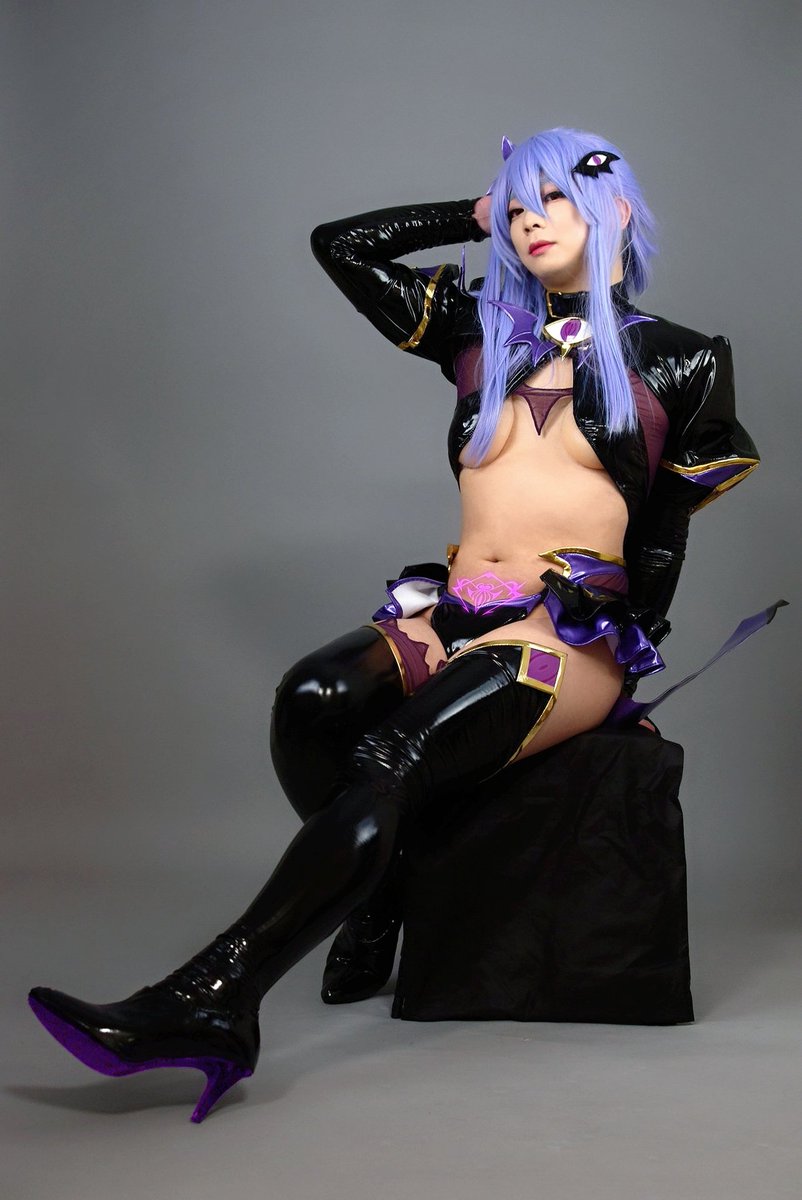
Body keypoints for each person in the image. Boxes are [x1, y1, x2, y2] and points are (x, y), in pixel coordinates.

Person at [28, 127, 769, 1124]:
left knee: (391, 753)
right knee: (313, 699)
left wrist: (634, 643)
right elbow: (341, 246)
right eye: (516, 207)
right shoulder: (479, 330)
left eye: (553, 199)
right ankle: (377, 898)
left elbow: (666, 529)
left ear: (617, 209)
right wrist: (470, 214)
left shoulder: (682, 360)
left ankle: (214, 998)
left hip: (567, 636)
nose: (529, 222)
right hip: (456, 606)